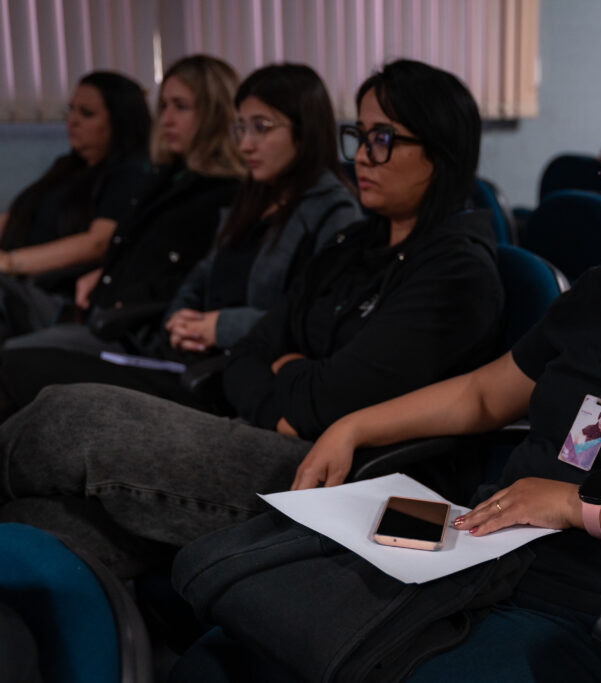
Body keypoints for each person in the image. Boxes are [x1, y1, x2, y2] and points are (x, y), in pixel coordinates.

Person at [171, 78, 601, 682]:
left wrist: (574, 502)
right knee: (220, 646)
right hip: (484, 559)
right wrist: (354, 425)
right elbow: (482, 394)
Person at [0, 59, 504, 579]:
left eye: (383, 137)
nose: (361, 157)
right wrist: (288, 383)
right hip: (264, 428)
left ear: (441, 154)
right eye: (358, 134)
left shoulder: (456, 272)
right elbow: (250, 353)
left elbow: (326, 403)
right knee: (37, 522)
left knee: (68, 415)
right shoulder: (356, 243)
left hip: (332, 480)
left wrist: (285, 376)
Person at [0, 63, 361, 411]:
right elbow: (200, 275)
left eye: (261, 128)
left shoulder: (332, 210)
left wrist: (219, 327)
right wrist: (179, 320)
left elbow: (314, 321)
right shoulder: (254, 197)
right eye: (241, 129)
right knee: (19, 367)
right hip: (180, 351)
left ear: (305, 130)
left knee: (20, 368)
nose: (246, 144)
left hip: (228, 375)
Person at [0, 55, 244, 351]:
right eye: (163, 106)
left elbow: (103, 245)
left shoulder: (215, 192)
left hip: (110, 320)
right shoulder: (163, 177)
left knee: (15, 358)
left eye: (180, 107)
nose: (166, 118)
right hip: (97, 309)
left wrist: (12, 263)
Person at [0, 72, 150, 325]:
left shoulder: (129, 173)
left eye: (87, 114)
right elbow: (16, 216)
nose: (73, 121)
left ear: (119, 120)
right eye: (71, 111)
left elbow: (98, 243)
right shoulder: (67, 166)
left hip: (48, 293)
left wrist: (12, 263)